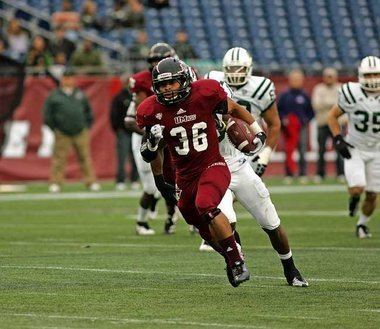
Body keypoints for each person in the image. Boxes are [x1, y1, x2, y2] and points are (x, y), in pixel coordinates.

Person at [137, 57, 265, 286]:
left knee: (206, 205)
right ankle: (229, 256)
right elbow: (148, 154)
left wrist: (255, 130)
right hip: (184, 176)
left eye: (173, 82)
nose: (167, 88)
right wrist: (152, 143)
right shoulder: (151, 110)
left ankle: (237, 262)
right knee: (196, 221)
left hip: (212, 164)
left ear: (184, 81)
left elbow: (234, 108)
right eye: (163, 84)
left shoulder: (204, 93)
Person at [204, 47, 308, 287]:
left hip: (240, 166)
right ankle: (235, 259)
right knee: (222, 223)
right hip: (213, 168)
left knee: (271, 222)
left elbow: (250, 117)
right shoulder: (199, 103)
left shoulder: (241, 100)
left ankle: (290, 268)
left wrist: (259, 142)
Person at [125, 43, 179, 235]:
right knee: (151, 186)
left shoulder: (180, 79)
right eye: (154, 61)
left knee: (174, 178)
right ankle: (141, 221)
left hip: (169, 136)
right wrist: (154, 137)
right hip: (148, 136)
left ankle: (173, 217)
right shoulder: (142, 83)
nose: (157, 64)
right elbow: (131, 121)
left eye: (160, 60)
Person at [327, 56, 380, 238]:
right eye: (369, 75)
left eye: (376, 74)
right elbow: (332, 116)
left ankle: (362, 224)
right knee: (358, 188)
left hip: (377, 150)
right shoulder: (351, 92)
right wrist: (337, 138)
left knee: (373, 195)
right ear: (361, 76)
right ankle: (354, 198)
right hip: (355, 147)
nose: (372, 79)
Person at [43, 69, 100, 193]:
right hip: (62, 132)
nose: (68, 80)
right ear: (62, 79)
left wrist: (86, 127)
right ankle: (56, 183)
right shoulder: (54, 95)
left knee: (85, 157)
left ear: (74, 80)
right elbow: (47, 115)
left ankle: (91, 182)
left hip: (80, 131)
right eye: (66, 78)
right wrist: (56, 128)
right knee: (59, 158)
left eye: (70, 78)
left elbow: (88, 112)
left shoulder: (80, 94)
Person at [278, 69, 314, 183]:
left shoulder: (304, 95)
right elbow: (278, 111)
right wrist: (284, 119)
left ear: (302, 81)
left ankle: (302, 173)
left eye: (298, 79)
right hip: (288, 129)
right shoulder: (284, 95)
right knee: (288, 151)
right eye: (293, 79)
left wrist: (304, 120)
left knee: (303, 150)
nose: (296, 81)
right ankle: (288, 174)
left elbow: (311, 112)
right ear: (289, 80)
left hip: (301, 127)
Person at [312, 67, 344, 182]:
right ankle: (320, 173)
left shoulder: (340, 88)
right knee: (321, 149)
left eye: (331, 76)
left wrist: (327, 105)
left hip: (336, 124)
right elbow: (316, 105)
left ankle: (341, 173)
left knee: (339, 148)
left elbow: (343, 105)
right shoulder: (319, 88)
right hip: (323, 123)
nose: (329, 79)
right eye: (327, 76)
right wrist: (334, 106)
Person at [110, 75, 139, 191]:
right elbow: (113, 115)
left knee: (136, 157)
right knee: (122, 158)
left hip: (136, 131)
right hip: (123, 132)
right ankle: (120, 180)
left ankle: (134, 179)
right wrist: (118, 129)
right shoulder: (119, 97)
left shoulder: (136, 96)